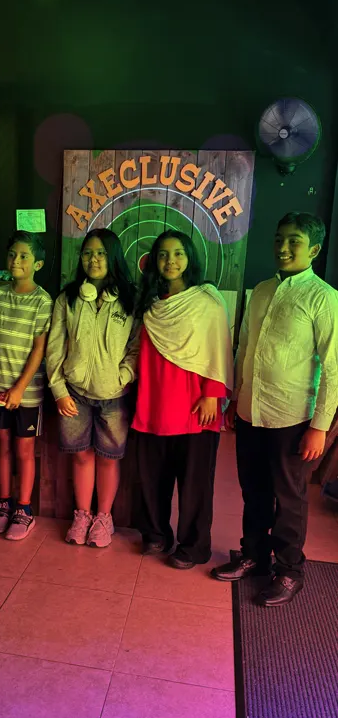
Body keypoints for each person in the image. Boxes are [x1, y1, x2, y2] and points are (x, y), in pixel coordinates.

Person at [212, 212, 338, 606]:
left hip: (292, 417)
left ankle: (289, 571)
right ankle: (253, 556)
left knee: (289, 497)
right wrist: (236, 399)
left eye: (294, 241)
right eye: (279, 239)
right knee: (254, 490)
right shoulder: (262, 290)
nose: (283, 247)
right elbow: (244, 348)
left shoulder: (323, 298)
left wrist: (320, 426)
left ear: (314, 249)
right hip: (251, 410)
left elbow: (333, 367)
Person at [132, 231, 233, 568]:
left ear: (190, 257)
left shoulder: (207, 301)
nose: (170, 261)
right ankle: (156, 534)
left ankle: (193, 546)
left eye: (178, 253)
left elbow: (219, 349)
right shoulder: (150, 303)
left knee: (194, 485)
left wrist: (212, 395)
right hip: (154, 401)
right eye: (163, 254)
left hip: (195, 405)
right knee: (152, 478)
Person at [46, 228, 138, 548]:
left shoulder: (130, 298)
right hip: (74, 394)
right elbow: (54, 348)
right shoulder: (68, 298)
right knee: (81, 457)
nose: (94, 259)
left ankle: (103, 517)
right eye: (88, 253)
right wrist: (59, 390)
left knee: (109, 458)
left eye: (101, 253)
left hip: (114, 396)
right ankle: (82, 515)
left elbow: (137, 346)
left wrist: (123, 376)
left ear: (113, 257)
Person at [0, 231, 53, 540]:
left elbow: (39, 350)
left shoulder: (42, 301)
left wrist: (20, 388)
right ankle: (4, 504)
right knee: (3, 446)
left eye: (24, 256)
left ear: (38, 264)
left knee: (24, 450)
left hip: (27, 393)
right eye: (12, 254)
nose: (16, 260)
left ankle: (24, 509)